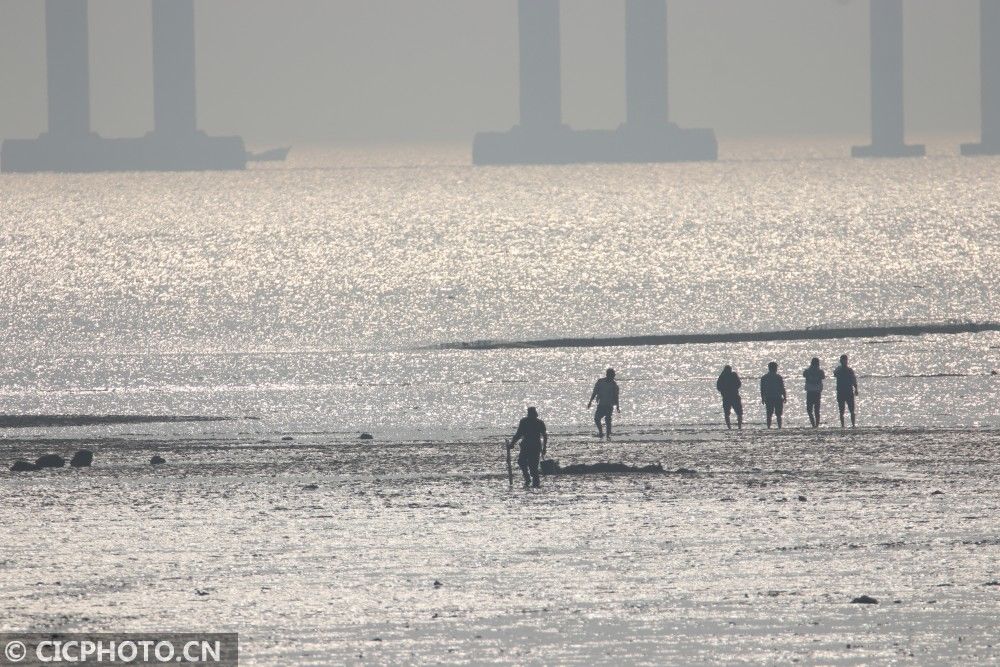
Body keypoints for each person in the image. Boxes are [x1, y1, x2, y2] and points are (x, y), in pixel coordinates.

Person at [509, 406, 548, 488]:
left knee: (533, 466)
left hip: (535, 447)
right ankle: (527, 478)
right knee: (521, 462)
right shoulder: (524, 422)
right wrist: (512, 443)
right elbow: (519, 434)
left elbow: (545, 436)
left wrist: (544, 448)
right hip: (526, 445)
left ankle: (535, 483)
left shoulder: (539, 422)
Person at [588, 368, 620, 439]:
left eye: (613, 375)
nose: (613, 376)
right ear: (608, 375)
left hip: (609, 405)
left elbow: (616, 396)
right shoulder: (600, 382)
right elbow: (595, 392)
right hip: (601, 404)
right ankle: (601, 432)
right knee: (597, 419)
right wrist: (590, 401)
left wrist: (617, 406)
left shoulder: (614, 385)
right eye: (612, 375)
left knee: (608, 420)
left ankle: (608, 435)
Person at [834, 354, 859, 428]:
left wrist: (856, 389)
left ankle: (853, 424)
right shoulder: (838, 370)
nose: (844, 362)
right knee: (841, 410)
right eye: (842, 360)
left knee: (851, 409)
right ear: (841, 361)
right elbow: (835, 374)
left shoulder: (849, 370)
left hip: (848, 391)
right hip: (841, 391)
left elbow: (853, 379)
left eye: (845, 360)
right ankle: (842, 425)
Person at [759, 361, 787, 429]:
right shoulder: (778, 377)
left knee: (769, 414)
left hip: (769, 397)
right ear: (775, 368)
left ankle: (768, 427)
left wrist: (762, 398)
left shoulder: (764, 377)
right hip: (777, 397)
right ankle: (779, 426)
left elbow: (762, 389)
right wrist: (785, 396)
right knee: (778, 414)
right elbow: (782, 387)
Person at [716, 365, 743, 430]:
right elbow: (739, 384)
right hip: (734, 396)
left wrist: (723, 391)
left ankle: (731, 427)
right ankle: (738, 427)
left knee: (728, 413)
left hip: (727, 397)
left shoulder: (722, 376)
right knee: (738, 413)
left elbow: (718, 387)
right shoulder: (732, 375)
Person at [802, 357, 825, 428]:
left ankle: (814, 424)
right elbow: (823, 377)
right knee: (816, 410)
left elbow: (804, 374)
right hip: (817, 391)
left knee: (810, 410)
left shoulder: (808, 371)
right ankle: (816, 425)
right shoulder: (820, 371)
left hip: (811, 391)